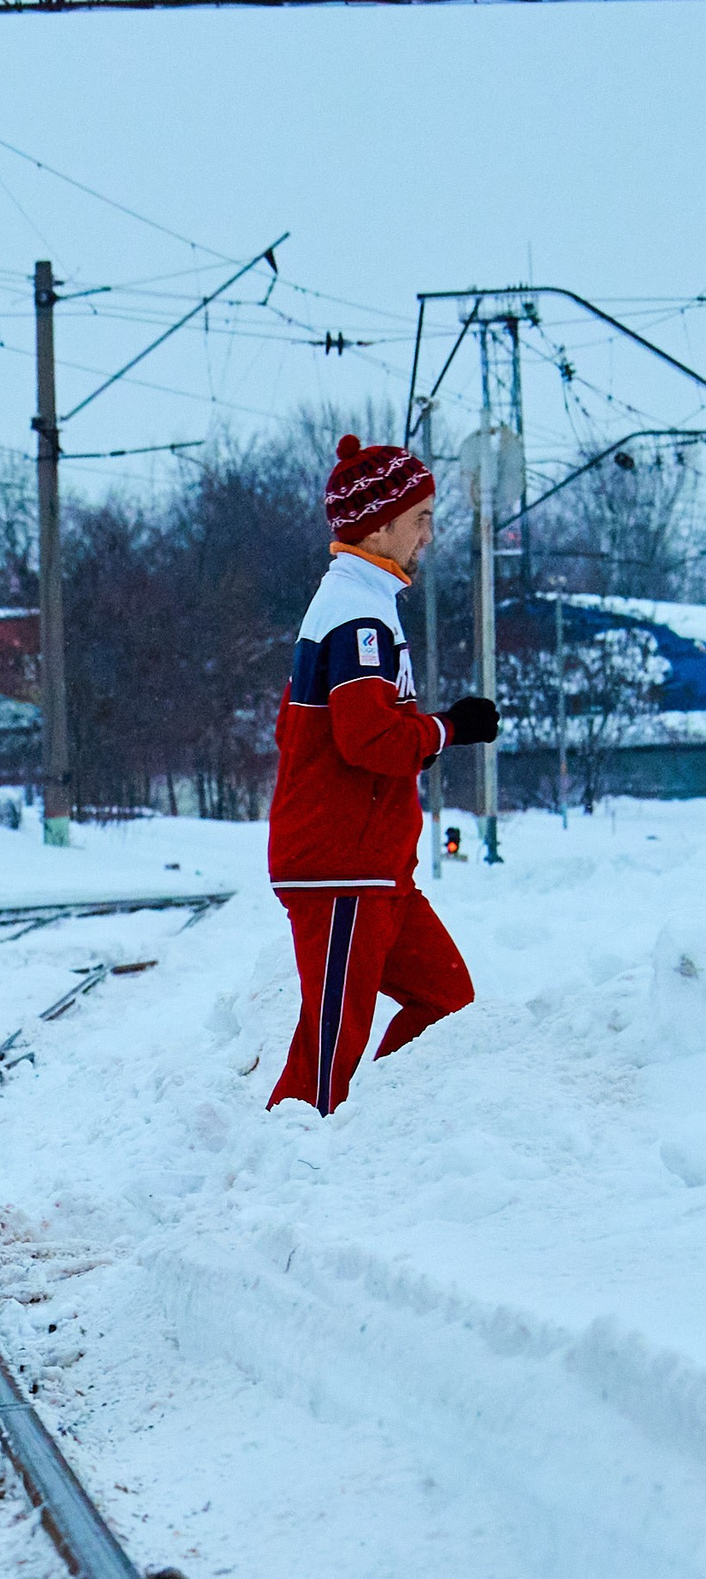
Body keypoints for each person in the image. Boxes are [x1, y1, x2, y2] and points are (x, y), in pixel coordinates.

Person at [265, 434, 500, 1116]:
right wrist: (448, 728)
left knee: (445, 997)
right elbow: (365, 737)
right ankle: (284, 1175)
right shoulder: (356, 613)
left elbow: (345, 728)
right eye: (422, 517)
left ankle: (384, 1126)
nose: (430, 532)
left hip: (373, 864)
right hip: (340, 866)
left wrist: (429, 732)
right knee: (328, 1052)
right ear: (381, 524)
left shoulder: (365, 602)